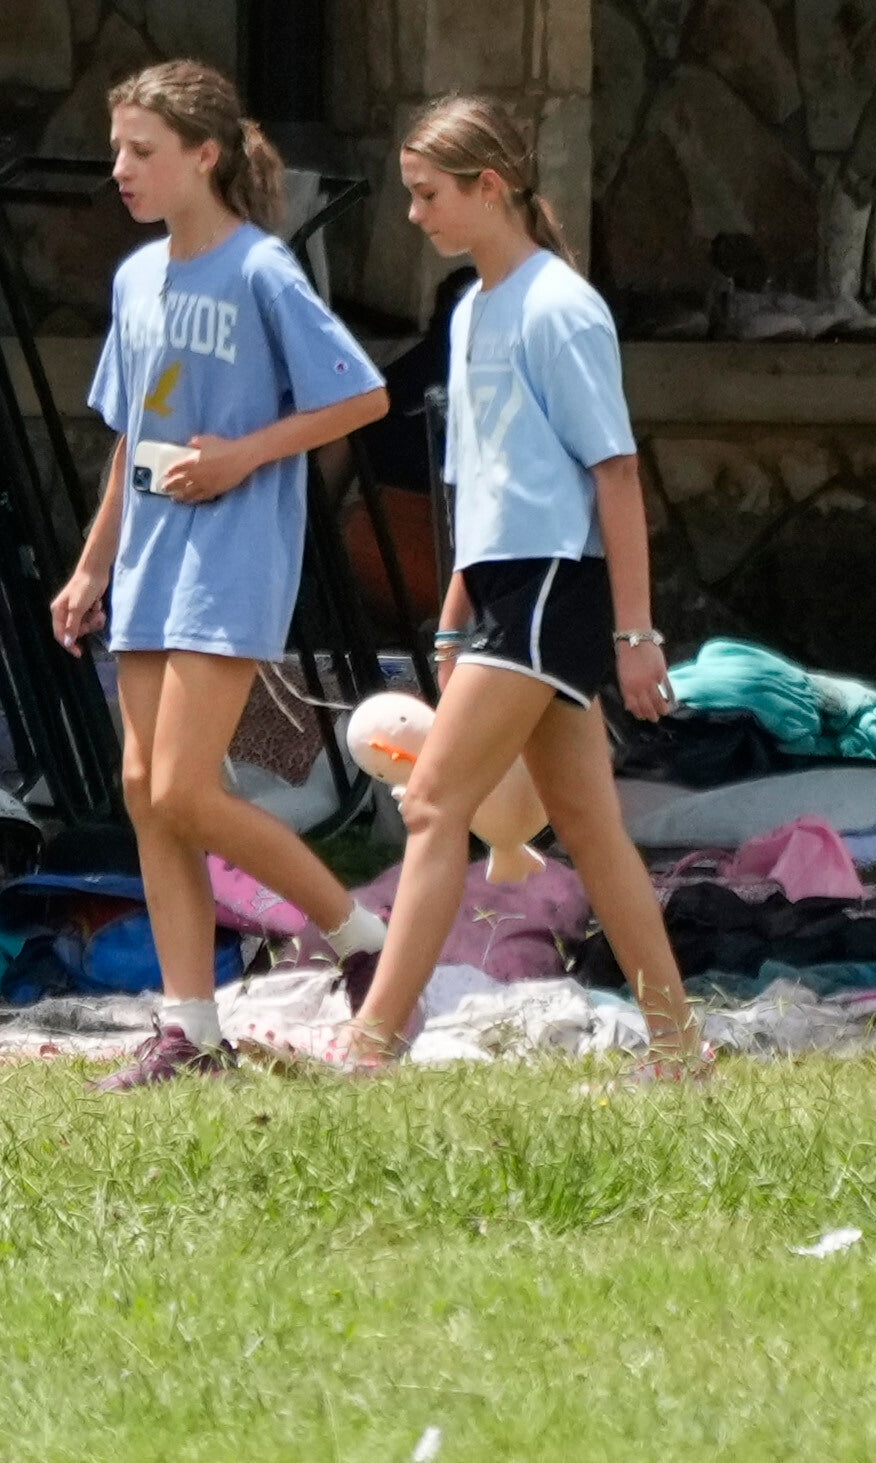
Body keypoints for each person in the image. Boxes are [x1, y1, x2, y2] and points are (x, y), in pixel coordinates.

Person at [335, 94, 707, 1079]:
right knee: (585, 824)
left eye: (426, 195)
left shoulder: (559, 306)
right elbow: (484, 481)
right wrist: (455, 614)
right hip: (503, 589)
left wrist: (633, 635)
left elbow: (613, 473)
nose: (412, 215)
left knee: (429, 806)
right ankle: (677, 1049)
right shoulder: (470, 313)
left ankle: (368, 1044)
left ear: (487, 187)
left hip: (553, 586)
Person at [52, 59, 394, 1089]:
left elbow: (360, 397)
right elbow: (133, 432)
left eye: (141, 152)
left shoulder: (260, 271)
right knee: (143, 794)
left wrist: (247, 454)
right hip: (151, 560)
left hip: (232, 556)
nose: (120, 169)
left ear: (203, 156)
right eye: (116, 150)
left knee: (185, 790)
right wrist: (88, 564)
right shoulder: (135, 279)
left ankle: (360, 935)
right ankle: (190, 1030)